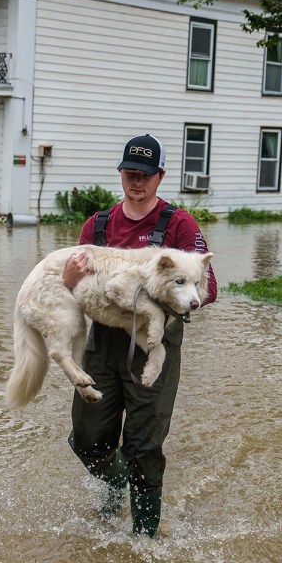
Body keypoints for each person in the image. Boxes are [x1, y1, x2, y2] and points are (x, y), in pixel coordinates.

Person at [61, 133, 217, 537]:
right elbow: (72, 292)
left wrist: (153, 294)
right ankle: (116, 488)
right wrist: (67, 281)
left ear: (160, 176)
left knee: (144, 447)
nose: (138, 182)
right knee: (87, 441)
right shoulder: (97, 225)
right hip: (101, 345)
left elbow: (207, 287)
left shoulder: (179, 224)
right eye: (131, 173)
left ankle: (144, 540)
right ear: (121, 174)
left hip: (155, 346)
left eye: (146, 175)